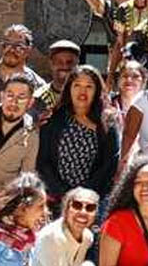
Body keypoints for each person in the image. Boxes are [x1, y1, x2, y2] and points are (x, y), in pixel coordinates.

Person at [36, 66, 121, 206]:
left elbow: (109, 164)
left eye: (89, 86)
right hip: (56, 199)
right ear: (69, 89)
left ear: (97, 91)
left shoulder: (107, 123)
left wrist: (83, 194)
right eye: (77, 85)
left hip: (92, 200)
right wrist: (64, 193)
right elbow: (43, 163)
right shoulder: (53, 119)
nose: (83, 91)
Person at [0, 24, 45, 104]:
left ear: (28, 51)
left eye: (18, 46)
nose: (11, 50)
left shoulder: (37, 85)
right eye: (7, 44)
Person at [32, 40, 83, 122]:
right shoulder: (39, 97)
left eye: (69, 62)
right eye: (59, 62)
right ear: (51, 63)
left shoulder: (85, 95)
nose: (64, 66)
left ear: (77, 64)